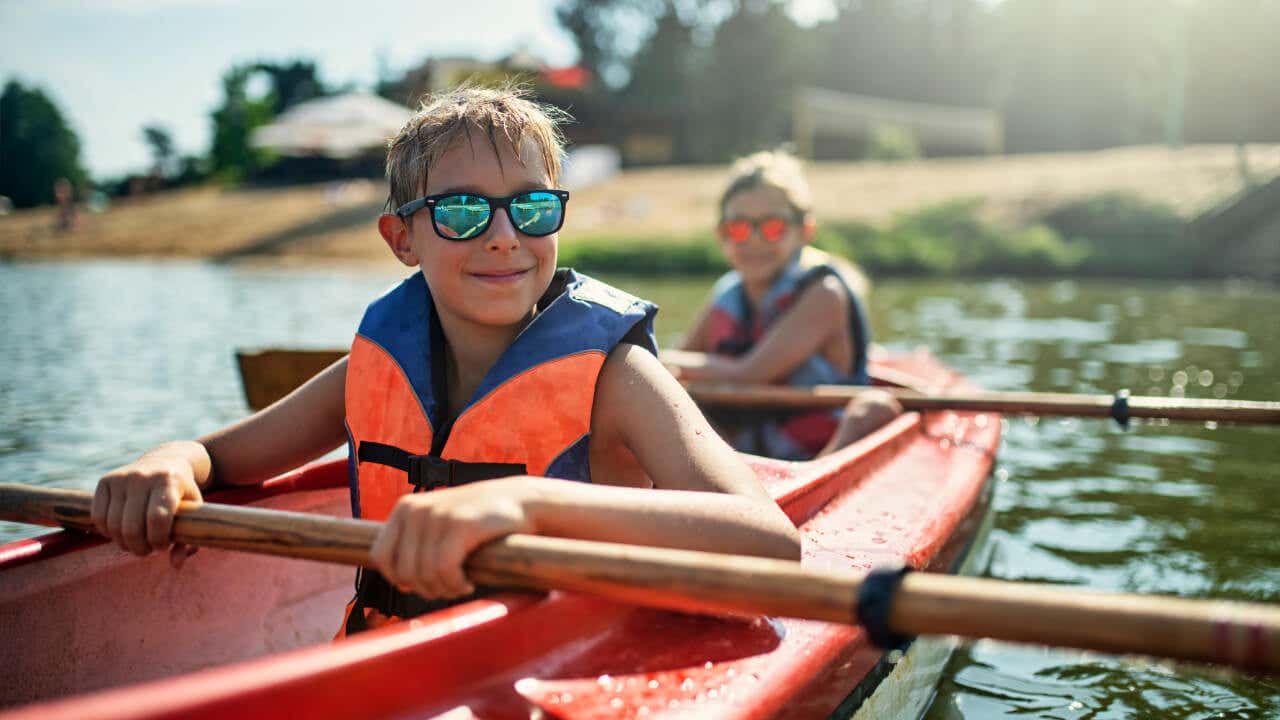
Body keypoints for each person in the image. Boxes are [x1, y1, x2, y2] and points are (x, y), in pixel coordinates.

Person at [90, 85, 800, 636]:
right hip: (397, 667)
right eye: (462, 212)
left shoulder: (616, 378)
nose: (502, 237)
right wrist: (172, 460)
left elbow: (769, 546)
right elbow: (222, 458)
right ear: (402, 238)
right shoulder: (373, 366)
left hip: (565, 666)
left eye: (531, 209)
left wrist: (523, 501)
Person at [662, 150, 901, 461]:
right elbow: (687, 356)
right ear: (721, 234)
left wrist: (661, 361)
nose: (754, 241)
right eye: (738, 228)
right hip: (745, 443)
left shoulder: (823, 294)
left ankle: (818, 478)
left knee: (874, 409)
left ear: (805, 231)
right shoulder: (728, 292)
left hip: (817, 447)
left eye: (772, 227)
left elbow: (749, 373)